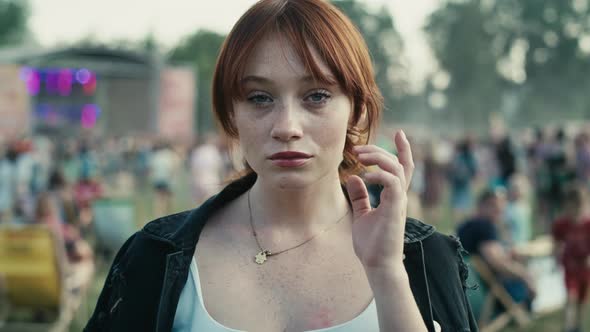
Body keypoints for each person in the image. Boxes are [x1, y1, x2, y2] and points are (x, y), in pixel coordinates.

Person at [85, 1, 477, 331]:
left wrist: (388, 272)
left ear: (356, 111)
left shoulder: (426, 260)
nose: (287, 127)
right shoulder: (155, 258)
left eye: (317, 96)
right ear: (231, 113)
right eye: (259, 98)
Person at [457, 189, 536, 310]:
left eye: (501, 206)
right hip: (488, 290)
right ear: (481, 206)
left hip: (470, 288)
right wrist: (525, 276)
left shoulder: (466, 226)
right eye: (494, 206)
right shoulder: (485, 225)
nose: (499, 210)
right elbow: (496, 262)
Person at [551, 185, 590, 332]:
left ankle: (578, 326)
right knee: (570, 297)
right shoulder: (561, 224)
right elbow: (556, 243)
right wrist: (556, 257)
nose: (575, 212)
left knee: (582, 300)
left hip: (585, 268)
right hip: (570, 267)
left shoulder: (588, 224)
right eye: (571, 207)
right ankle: (568, 327)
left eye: (579, 207)